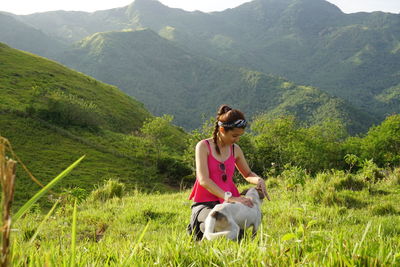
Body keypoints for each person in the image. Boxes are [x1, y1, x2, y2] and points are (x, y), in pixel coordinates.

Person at [187, 104, 270, 240]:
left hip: (230, 205)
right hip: (206, 203)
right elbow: (204, 180)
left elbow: (248, 174)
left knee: (237, 234)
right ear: (221, 129)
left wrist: (258, 180)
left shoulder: (235, 149)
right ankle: (203, 238)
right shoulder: (203, 146)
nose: (237, 140)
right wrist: (229, 197)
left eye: (239, 136)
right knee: (214, 223)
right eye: (234, 136)